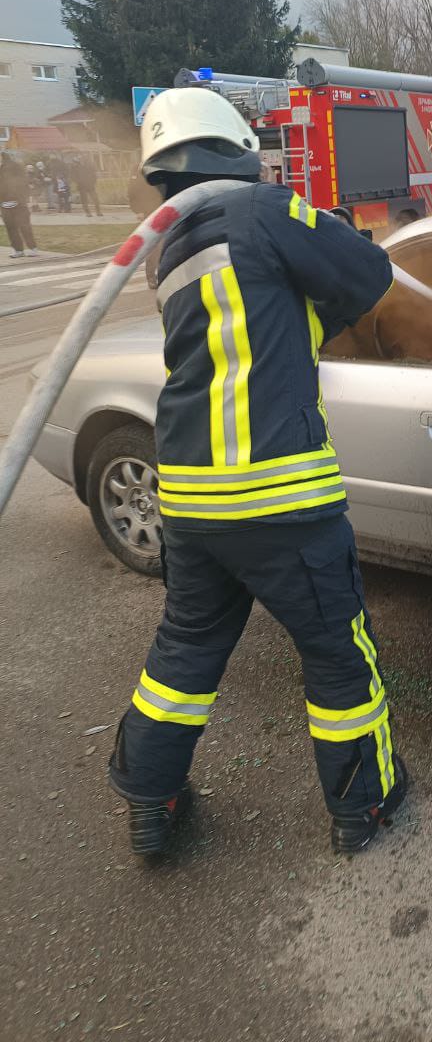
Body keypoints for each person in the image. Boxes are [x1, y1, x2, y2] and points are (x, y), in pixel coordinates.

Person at [108, 86, 407, 858]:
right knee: (338, 653)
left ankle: (150, 801)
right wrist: (325, 237)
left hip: (191, 500)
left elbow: (254, 325)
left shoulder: (167, 248)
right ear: (237, 146)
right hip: (280, 500)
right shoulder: (266, 211)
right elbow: (370, 274)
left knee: (184, 653)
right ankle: (363, 805)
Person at [127, 169, 162, 289]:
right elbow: (132, 192)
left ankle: (164, 274)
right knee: (154, 247)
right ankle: (151, 277)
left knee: (165, 244)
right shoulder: (138, 170)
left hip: (164, 207)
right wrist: (138, 210)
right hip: (148, 211)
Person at [0, 153, 39, 257]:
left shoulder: (13, 166)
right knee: (11, 227)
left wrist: (21, 198)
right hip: (4, 204)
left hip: (18, 203)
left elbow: (23, 182)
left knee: (24, 226)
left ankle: (32, 248)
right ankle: (18, 250)